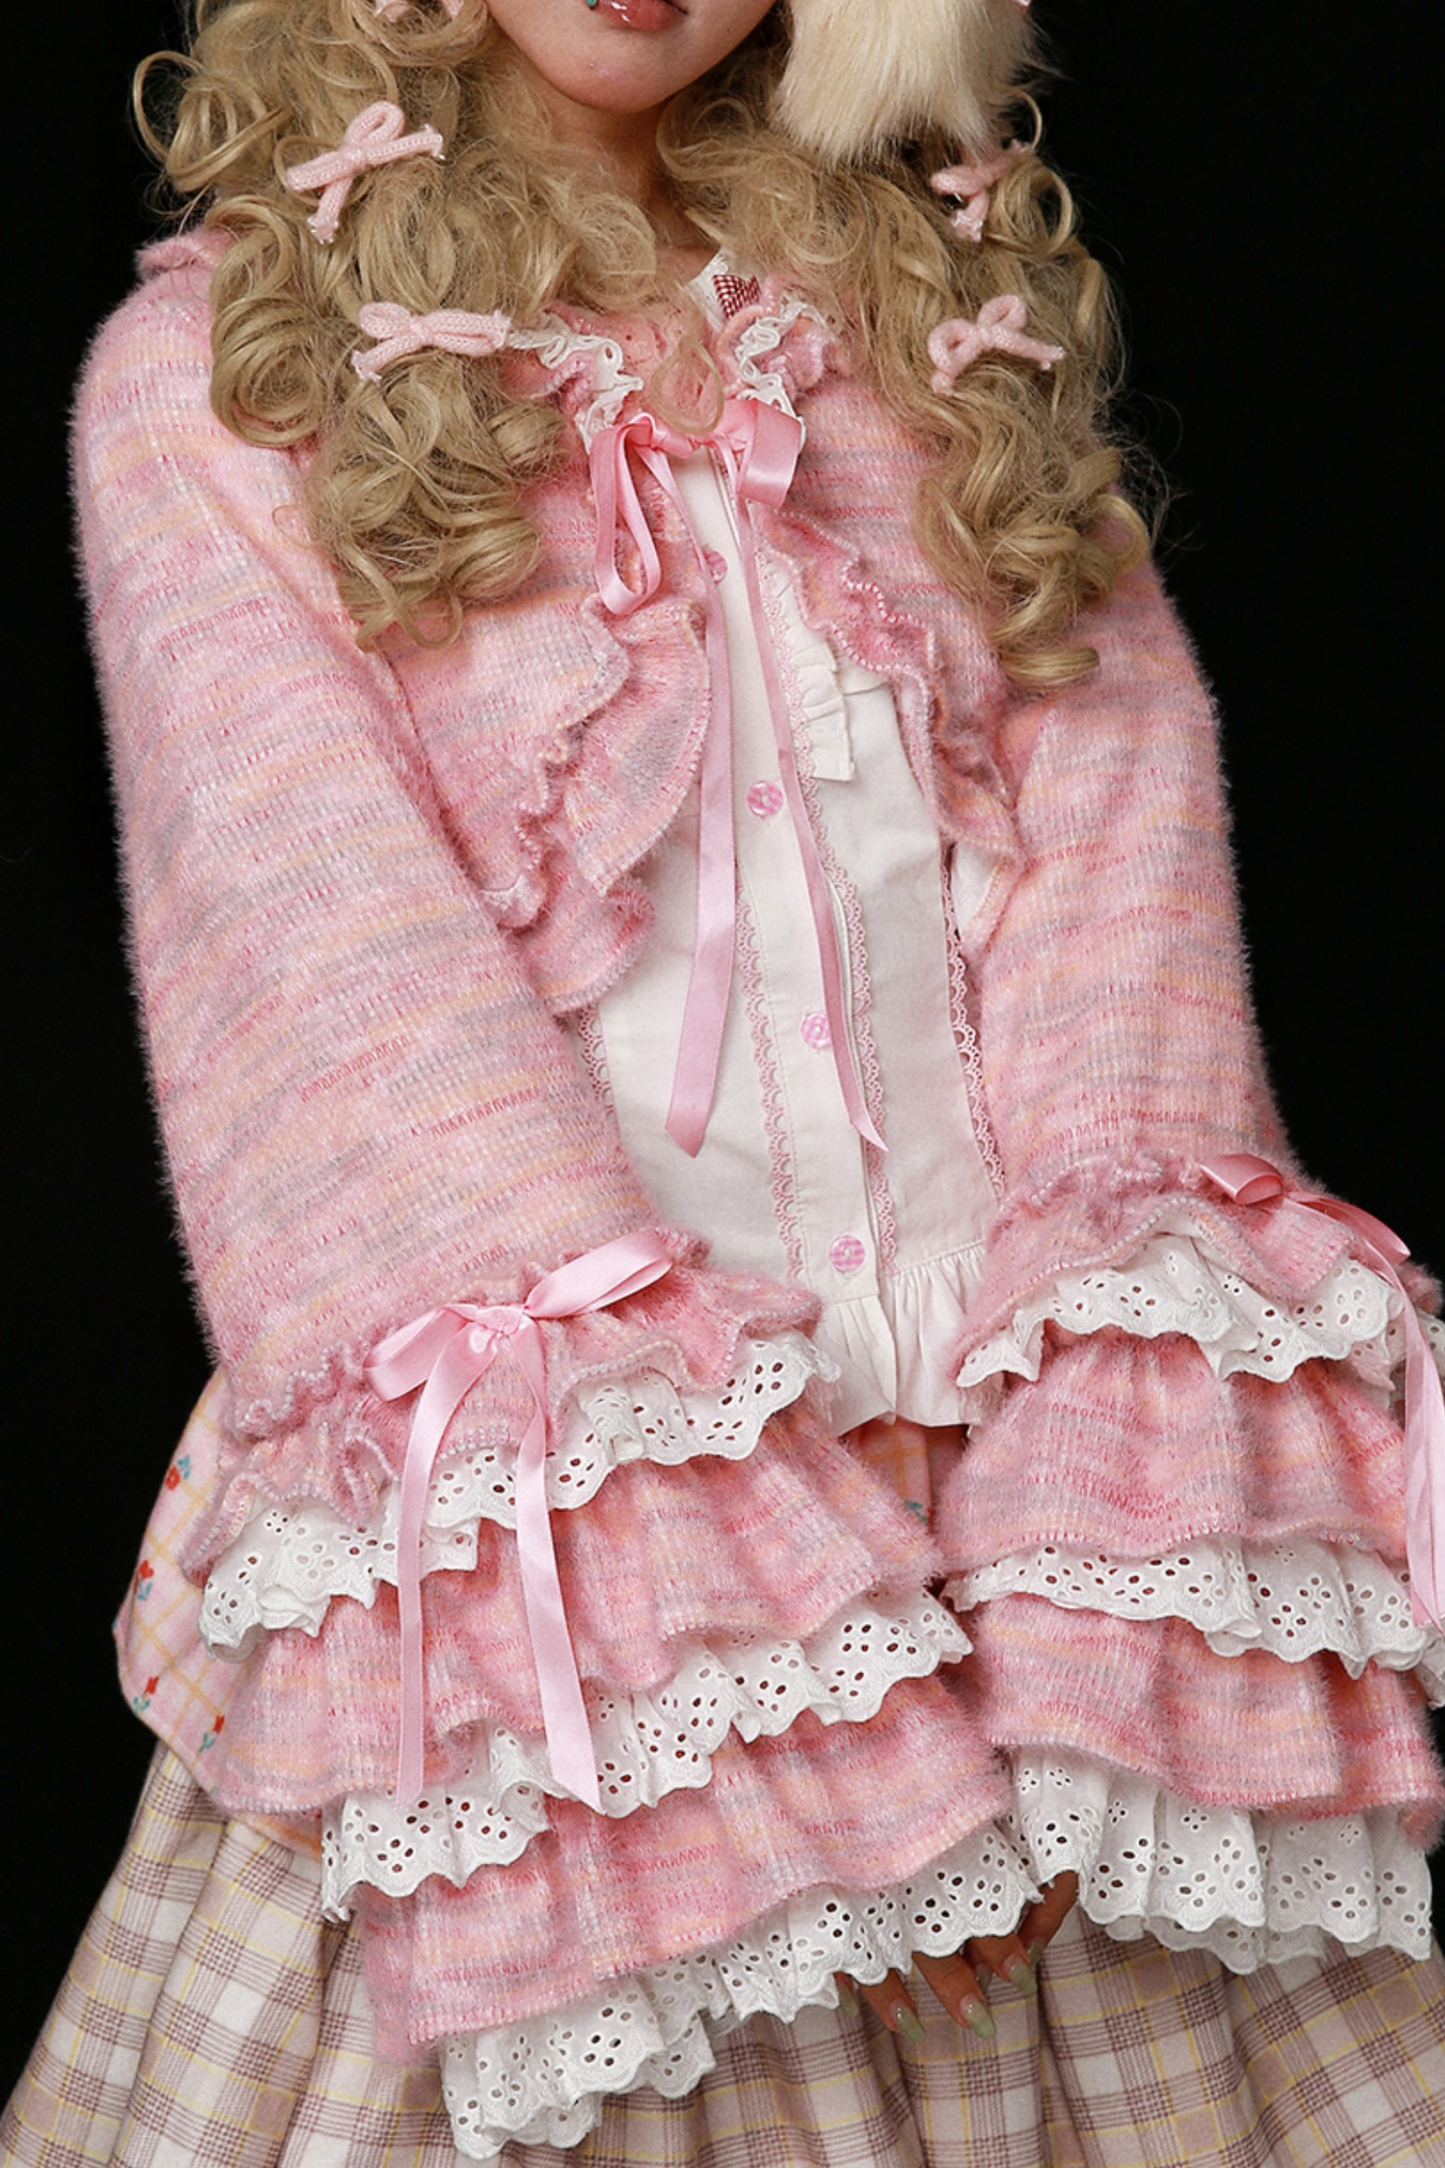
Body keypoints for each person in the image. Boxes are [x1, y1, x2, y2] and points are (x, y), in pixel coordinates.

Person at [7, 0, 1445, 2160]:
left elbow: (1123, 915)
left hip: (1022, 1523)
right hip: (594, 1610)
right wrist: (770, 1669)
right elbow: (339, 1007)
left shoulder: (928, 315)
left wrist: (1079, 1579)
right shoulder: (217, 388)